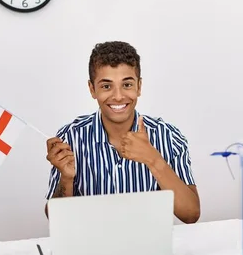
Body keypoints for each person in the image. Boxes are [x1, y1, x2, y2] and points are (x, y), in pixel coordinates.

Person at [44, 41, 200, 224]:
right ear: (92, 89)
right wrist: (66, 179)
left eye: (126, 85)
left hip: (150, 247)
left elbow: (191, 215)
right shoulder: (70, 137)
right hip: (90, 247)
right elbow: (56, 220)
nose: (118, 96)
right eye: (106, 86)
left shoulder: (168, 136)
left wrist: (153, 159)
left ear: (139, 87)